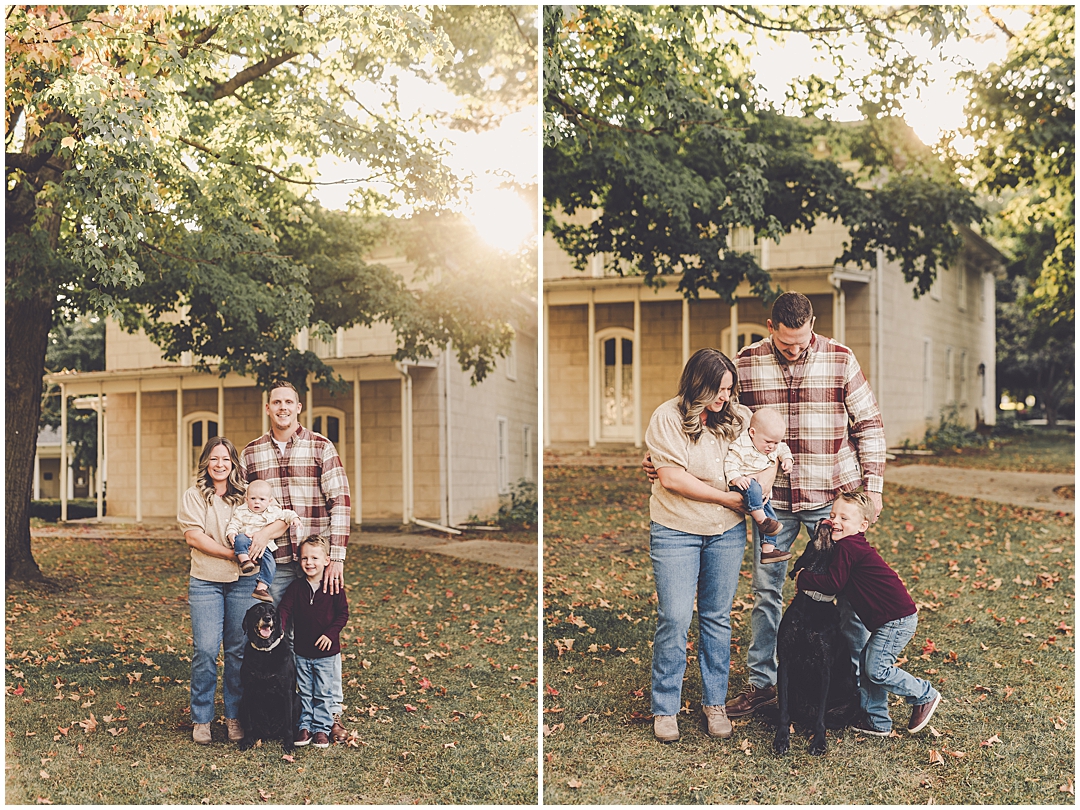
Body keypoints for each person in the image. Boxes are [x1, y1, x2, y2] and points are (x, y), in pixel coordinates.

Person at [724, 290, 886, 719]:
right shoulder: (746, 361)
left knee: (849, 594)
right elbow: (718, 420)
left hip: (830, 498)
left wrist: (875, 489)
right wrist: (666, 456)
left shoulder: (839, 358)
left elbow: (868, 425)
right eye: (785, 342)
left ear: (812, 324)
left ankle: (852, 690)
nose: (795, 349)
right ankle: (764, 685)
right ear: (769, 327)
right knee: (766, 592)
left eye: (802, 340)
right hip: (772, 504)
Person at [644, 347, 774, 744]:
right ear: (698, 385)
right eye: (719, 390)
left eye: (730, 389)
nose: (725, 398)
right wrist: (729, 498)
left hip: (726, 533)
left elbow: (767, 459)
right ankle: (666, 709)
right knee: (676, 617)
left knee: (717, 617)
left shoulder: (738, 418)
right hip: (676, 529)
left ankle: (714, 703)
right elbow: (672, 479)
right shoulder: (667, 418)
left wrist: (758, 491)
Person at [241, 380, 352, 742]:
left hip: (313, 564)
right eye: (276, 402)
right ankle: (289, 717)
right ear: (268, 408)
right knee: (272, 635)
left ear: (299, 407)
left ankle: (329, 716)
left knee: (319, 640)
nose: (283, 407)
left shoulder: (321, 446)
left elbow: (341, 502)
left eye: (289, 401)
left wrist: (335, 557)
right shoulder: (251, 453)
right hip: (271, 564)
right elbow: (240, 505)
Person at [794, 492, 941, 735]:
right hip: (888, 620)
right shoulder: (847, 546)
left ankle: (924, 694)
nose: (836, 522)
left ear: (863, 525)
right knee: (867, 665)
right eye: (832, 516)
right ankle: (877, 721)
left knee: (877, 669)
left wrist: (804, 578)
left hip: (896, 620)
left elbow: (833, 583)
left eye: (845, 518)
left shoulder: (848, 547)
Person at [178, 437, 289, 745]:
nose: (220, 464)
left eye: (226, 459)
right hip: (206, 581)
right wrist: (233, 554)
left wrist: (262, 536)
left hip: (242, 583)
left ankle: (235, 716)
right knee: (206, 651)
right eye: (214, 459)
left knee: (239, 651)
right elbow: (194, 538)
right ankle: (202, 718)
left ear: (234, 464)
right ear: (205, 462)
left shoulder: (247, 495)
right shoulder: (195, 495)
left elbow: (281, 520)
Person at [278, 534, 350, 748]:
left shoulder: (334, 587)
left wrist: (330, 634)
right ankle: (305, 726)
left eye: (315, 558)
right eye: (305, 558)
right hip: (302, 651)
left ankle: (322, 728)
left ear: (327, 560)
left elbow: (342, 615)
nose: (309, 563)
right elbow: (284, 609)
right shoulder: (296, 588)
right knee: (305, 690)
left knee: (324, 692)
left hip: (327, 654)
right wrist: (280, 629)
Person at [724, 406, 793, 564]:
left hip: (762, 490)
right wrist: (736, 479)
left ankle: (768, 550)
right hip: (743, 484)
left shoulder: (774, 444)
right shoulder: (740, 446)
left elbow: (783, 449)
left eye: (776, 442)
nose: (772, 447)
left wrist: (787, 460)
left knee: (772, 518)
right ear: (752, 433)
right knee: (754, 488)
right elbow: (729, 464)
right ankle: (761, 521)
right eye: (768, 442)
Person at [226, 478, 303, 603]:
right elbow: (234, 523)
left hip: (263, 546)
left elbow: (286, 514)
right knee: (239, 538)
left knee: (270, 564)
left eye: (262, 499)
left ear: (269, 501)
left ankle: (261, 588)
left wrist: (294, 519)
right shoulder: (241, 511)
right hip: (246, 540)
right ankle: (245, 561)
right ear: (246, 499)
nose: (257, 502)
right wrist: (231, 533)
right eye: (253, 499)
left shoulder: (273, 511)